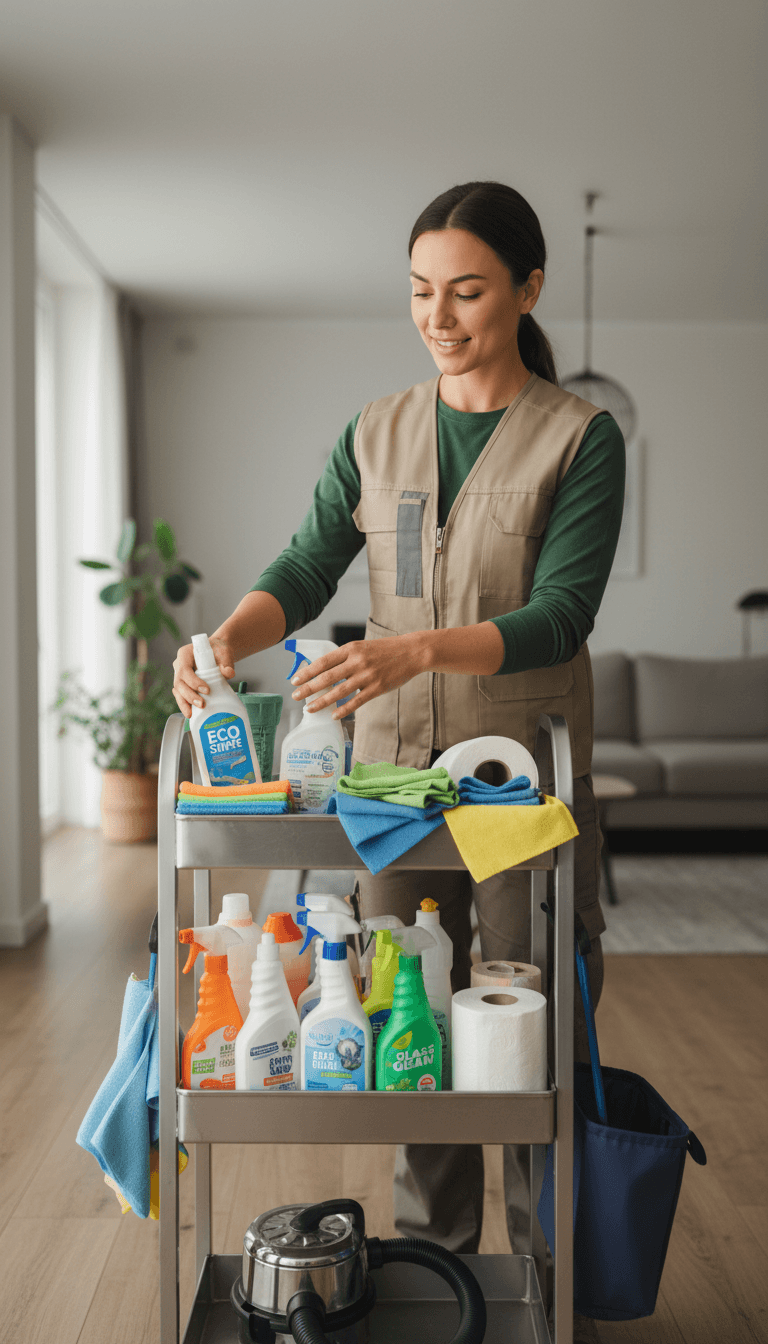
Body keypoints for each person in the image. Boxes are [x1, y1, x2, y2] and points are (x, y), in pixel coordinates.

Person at [173, 180, 624, 1343]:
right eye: (422, 291)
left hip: (517, 787)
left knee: (526, 1045)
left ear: (527, 290)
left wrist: (411, 646)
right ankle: (434, 1276)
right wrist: (227, 637)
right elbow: (310, 559)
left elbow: (563, 613)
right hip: (384, 795)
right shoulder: (373, 430)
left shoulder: (582, 436)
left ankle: (541, 1289)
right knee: (405, 1021)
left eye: (468, 290)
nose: (441, 314)